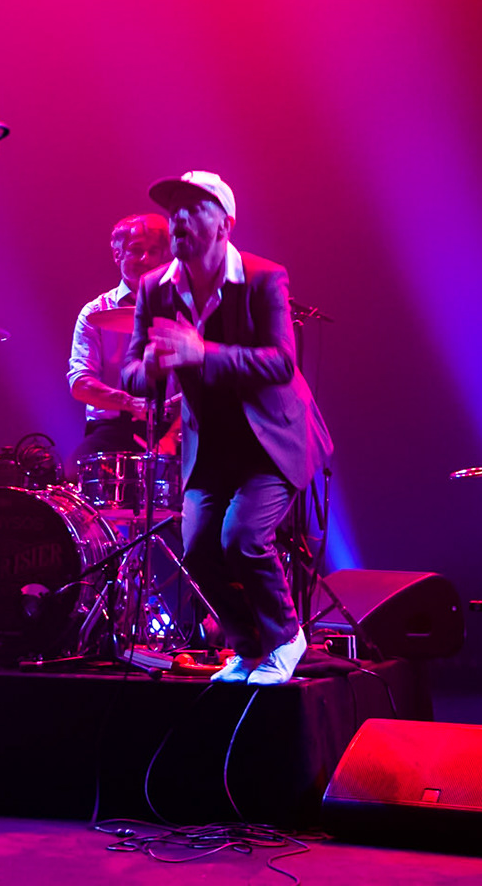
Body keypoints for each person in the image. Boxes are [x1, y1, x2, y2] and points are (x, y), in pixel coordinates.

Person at [123, 171, 332, 687]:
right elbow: (130, 370)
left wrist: (203, 353)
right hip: (211, 444)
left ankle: (285, 638)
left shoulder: (263, 278)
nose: (179, 220)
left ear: (225, 224)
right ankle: (246, 646)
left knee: (242, 538)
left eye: (194, 209)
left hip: (272, 439)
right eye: (174, 212)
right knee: (197, 548)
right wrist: (148, 368)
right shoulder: (155, 288)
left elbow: (282, 361)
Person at [67, 212, 172, 460]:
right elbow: (81, 384)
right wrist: (132, 404)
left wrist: (172, 433)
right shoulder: (95, 312)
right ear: (117, 255)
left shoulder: (181, 308)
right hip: (111, 430)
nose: (146, 259)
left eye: (154, 251)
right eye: (136, 250)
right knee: (73, 476)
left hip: (174, 429)